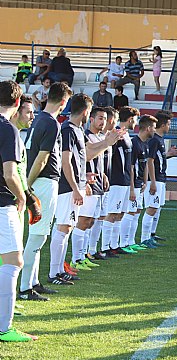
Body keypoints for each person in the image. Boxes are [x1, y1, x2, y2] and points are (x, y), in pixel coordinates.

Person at [53, 94, 118, 280]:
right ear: (85, 112)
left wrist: (84, 176)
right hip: (67, 187)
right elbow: (66, 160)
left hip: (77, 184)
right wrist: (75, 186)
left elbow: (83, 157)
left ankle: (61, 268)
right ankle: (56, 270)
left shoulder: (76, 130)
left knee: (68, 227)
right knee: (64, 227)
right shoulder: (67, 129)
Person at [21, 83, 73, 294]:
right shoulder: (52, 123)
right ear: (62, 101)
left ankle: (33, 282)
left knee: (38, 234)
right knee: (37, 236)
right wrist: (28, 185)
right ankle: (25, 287)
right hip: (43, 182)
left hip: (39, 181)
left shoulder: (39, 119)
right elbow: (42, 158)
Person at [0, 81, 38, 342]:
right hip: (3, 204)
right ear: (16, 103)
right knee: (14, 261)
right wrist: (22, 196)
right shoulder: (8, 130)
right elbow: (10, 173)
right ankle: (5, 327)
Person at [70, 106, 120, 270]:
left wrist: (103, 174)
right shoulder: (87, 136)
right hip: (88, 183)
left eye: (105, 118)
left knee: (91, 221)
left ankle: (84, 255)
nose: (102, 121)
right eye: (99, 118)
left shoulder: (99, 137)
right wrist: (84, 181)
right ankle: (76, 259)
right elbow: (86, 157)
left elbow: (99, 160)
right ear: (91, 119)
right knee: (83, 220)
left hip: (98, 182)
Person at [141, 110, 177, 245]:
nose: (169, 127)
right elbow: (150, 161)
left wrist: (170, 154)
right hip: (155, 179)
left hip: (160, 178)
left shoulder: (159, 139)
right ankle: (145, 238)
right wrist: (152, 181)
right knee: (152, 207)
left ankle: (151, 235)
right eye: (168, 124)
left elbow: (158, 158)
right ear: (163, 125)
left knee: (157, 207)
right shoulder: (154, 140)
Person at [101, 106, 139, 256]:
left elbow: (130, 163)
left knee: (120, 214)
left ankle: (114, 245)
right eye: (135, 120)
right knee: (111, 213)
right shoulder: (115, 134)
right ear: (130, 119)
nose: (135, 123)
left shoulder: (127, 136)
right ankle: (105, 247)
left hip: (125, 180)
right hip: (116, 180)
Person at [119, 115, 157, 252]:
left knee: (137, 211)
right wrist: (131, 188)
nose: (154, 130)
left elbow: (145, 164)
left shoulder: (145, 143)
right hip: (133, 184)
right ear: (147, 128)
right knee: (130, 212)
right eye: (153, 127)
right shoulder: (134, 143)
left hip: (140, 183)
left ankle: (131, 241)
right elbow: (130, 166)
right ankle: (123, 243)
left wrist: (145, 181)